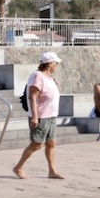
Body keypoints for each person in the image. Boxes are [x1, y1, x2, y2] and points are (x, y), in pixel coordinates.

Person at [13, 52, 65, 180]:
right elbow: (32, 97)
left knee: (51, 143)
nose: (57, 65)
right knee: (36, 144)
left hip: (51, 115)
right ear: (49, 64)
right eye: (55, 63)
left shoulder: (49, 78)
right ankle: (18, 167)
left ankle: (52, 171)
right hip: (41, 116)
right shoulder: (38, 76)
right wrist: (35, 117)